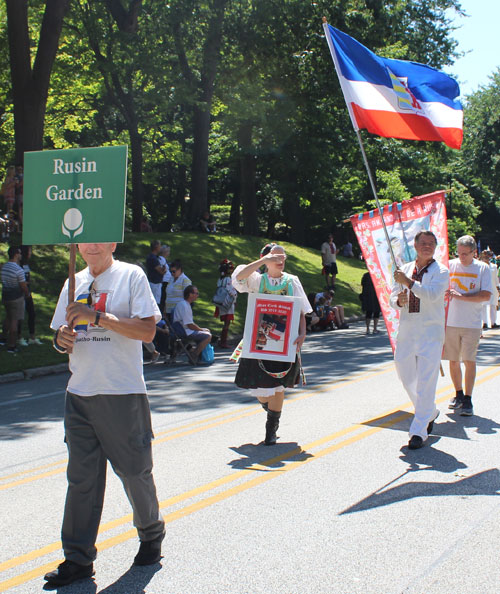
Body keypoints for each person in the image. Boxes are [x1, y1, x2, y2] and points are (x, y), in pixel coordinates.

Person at [44, 243, 165, 588]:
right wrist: (62, 339)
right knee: (81, 480)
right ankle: (78, 559)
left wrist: (97, 317)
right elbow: (60, 335)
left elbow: (146, 332)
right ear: (77, 245)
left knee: (133, 472)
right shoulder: (73, 281)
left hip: (122, 392)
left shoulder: (131, 276)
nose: (92, 246)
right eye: (85, 240)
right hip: (79, 394)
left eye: (100, 239)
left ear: (112, 243)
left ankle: (151, 533)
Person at [232, 243, 312, 445]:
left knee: (278, 386)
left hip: (284, 342)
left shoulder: (292, 281)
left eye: (283, 257)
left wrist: (302, 333)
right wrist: (262, 261)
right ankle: (270, 408)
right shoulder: (257, 280)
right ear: (265, 259)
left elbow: (300, 310)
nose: (280, 260)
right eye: (275, 257)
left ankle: (271, 429)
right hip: (258, 341)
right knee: (259, 389)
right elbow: (238, 278)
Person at [390, 231, 449, 450]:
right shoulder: (403, 269)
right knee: (406, 377)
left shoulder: (441, 271)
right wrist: (398, 300)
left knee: (426, 381)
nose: (427, 246)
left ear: (435, 247)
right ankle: (429, 412)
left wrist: (409, 283)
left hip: (430, 334)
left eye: (431, 244)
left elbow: (433, 295)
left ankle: (418, 431)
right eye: (423, 243)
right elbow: (392, 297)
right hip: (407, 331)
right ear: (415, 246)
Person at [443, 236, 492, 416]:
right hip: (451, 321)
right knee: (453, 360)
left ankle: (468, 400)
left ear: (474, 252)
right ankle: (458, 394)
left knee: (469, 361)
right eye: (459, 253)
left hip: (471, 323)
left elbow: (486, 295)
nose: (461, 257)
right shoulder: (449, 265)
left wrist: (461, 297)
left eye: (466, 254)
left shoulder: (482, 268)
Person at [1, 246, 29, 353]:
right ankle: (11, 345)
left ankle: (3, 338)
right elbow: (23, 286)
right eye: (20, 253)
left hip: (5, 296)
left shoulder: (4, 267)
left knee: (8, 317)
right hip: (16, 298)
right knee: (14, 321)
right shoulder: (18, 270)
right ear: (16, 254)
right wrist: (27, 294)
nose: (21, 255)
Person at [172, 285, 212, 360]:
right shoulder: (185, 306)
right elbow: (190, 325)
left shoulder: (184, 304)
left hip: (183, 329)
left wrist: (201, 329)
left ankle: (199, 355)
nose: (197, 295)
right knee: (208, 336)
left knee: (206, 331)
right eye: (196, 293)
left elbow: (190, 323)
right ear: (190, 294)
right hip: (185, 331)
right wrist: (201, 330)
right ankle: (194, 355)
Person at [17, 245, 42, 346]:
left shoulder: (27, 264)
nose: (30, 253)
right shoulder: (19, 264)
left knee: (32, 314)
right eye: (29, 251)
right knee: (20, 316)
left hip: (28, 293)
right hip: (20, 294)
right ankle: (19, 337)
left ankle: (32, 337)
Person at [214, 259, 237, 348]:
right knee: (227, 323)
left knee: (225, 322)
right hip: (227, 303)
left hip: (220, 302)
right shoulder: (228, 279)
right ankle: (223, 342)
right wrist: (235, 296)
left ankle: (222, 340)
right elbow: (230, 290)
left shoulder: (220, 279)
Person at [479, 251, 499, 329]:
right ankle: (485, 322)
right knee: (483, 306)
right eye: (485, 256)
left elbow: (496, 278)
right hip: (483, 288)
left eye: (488, 256)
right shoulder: (480, 266)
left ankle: (493, 322)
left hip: (493, 288)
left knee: (493, 306)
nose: (486, 257)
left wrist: (498, 287)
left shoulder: (494, 266)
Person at [145, 240, 166, 305]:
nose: (161, 247)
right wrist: (164, 268)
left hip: (152, 282)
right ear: (156, 247)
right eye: (160, 245)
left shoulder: (151, 257)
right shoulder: (153, 258)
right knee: (155, 303)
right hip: (155, 283)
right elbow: (161, 271)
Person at [158, 244, 172, 314]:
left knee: (164, 298)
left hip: (166, 281)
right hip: (164, 282)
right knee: (162, 298)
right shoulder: (161, 259)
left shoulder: (164, 260)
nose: (168, 253)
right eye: (168, 251)